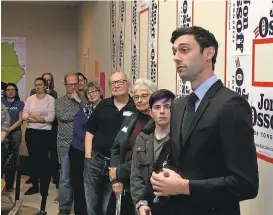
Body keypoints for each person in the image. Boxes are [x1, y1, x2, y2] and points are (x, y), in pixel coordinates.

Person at [150, 26, 259, 215]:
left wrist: (185, 186)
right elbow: (176, 158)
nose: (176, 57)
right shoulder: (179, 105)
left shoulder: (231, 105)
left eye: (184, 50)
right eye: (175, 52)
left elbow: (245, 184)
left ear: (208, 53)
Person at [84, 72, 136, 215]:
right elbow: (89, 131)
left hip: (118, 165)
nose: (116, 86)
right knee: (92, 203)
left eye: (120, 82)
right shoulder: (103, 105)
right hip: (95, 161)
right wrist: (88, 156)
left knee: (109, 206)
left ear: (128, 85)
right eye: (112, 83)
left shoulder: (135, 107)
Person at [109, 79, 157, 215]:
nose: (139, 100)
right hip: (125, 182)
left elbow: (146, 156)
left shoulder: (157, 122)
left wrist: (119, 171)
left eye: (144, 96)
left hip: (144, 185)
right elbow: (116, 148)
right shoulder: (131, 118)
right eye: (136, 97)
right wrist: (115, 178)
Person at [130, 89, 175, 215]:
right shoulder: (143, 139)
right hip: (147, 206)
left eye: (167, 107)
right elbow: (136, 176)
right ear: (151, 112)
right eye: (157, 107)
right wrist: (140, 204)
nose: (162, 111)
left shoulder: (180, 139)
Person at [69, 81, 103, 215]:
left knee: (95, 187)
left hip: (98, 154)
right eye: (89, 92)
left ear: (100, 92)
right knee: (79, 185)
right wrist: (94, 138)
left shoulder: (106, 107)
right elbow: (78, 129)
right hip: (79, 150)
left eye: (94, 91)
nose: (91, 94)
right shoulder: (84, 108)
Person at [22, 77, 55, 214]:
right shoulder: (30, 99)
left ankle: (44, 189)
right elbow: (24, 117)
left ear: (44, 85)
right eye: (36, 85)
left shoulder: (50, 99)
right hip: (31, 134)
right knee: (33, 160)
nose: (38, 87)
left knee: (43, 161)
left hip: (45, 135)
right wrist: (40, 118)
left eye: (40, 85)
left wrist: (34, 116)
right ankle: (35, 185)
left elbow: (50, 118)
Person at [55, 73, 82, 215]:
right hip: (65, 143)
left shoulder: (83, 99)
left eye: (75, 83)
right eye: (70, 84)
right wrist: (81, 112)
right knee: (65, 177)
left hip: (83, 145)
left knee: (81, 177)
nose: (73, 87)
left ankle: (80, 207)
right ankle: (64, 208)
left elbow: (91, 115)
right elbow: (63, 116)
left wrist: (79, 101)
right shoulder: (59, 101)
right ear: (65, 85)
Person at [29, 72, 59, 188]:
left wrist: (41, 118)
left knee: (50, 155)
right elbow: (29, 114)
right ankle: (34, 179)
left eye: (49, 80)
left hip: (48, 129)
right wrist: (38, 118)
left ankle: (53, 177)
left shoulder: (53, 94)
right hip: (34, 129)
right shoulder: (33, 93)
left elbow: (51, 115)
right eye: (44, 80)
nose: (46, 82)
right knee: (35, 155)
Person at [2, 83, 25, 191]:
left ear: (16, 91)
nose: (10, 91)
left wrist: (8, 129)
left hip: (14, 132)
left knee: (11, 160)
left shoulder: (20, 103)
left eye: (12, 89)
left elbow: (20, 120)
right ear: (5, 91)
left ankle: (9, 185)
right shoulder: (1, 102)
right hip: (2, 133)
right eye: (8, 89)